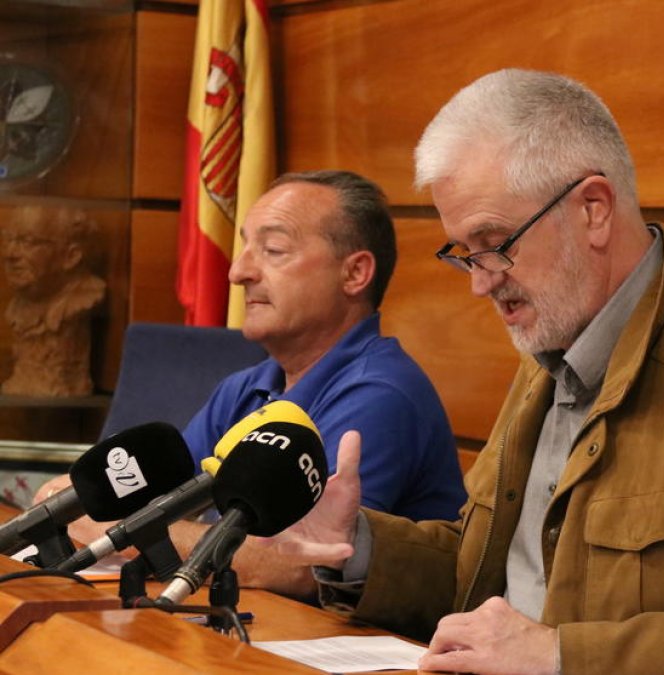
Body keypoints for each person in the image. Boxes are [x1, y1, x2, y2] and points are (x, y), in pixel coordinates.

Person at [282, 69, 664, 674]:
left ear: (593, 209)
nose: (481, 282)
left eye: (494, 242)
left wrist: (560, 655)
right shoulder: (550, 343)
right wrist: (357, 546)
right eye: (464, 253)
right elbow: (487, 572)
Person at [38, 170, 466, 596]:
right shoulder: (247, 386)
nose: (238, 272)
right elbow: (163, 496)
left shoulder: (380, 395)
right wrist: (92, 504)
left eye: (273, 249)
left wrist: (115, 526)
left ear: (354, 274)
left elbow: (299, 563)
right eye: (244, 247)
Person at [2, 204, 105, 396]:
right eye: (9, 239)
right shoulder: (22, 300)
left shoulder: (85, 298)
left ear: (71, 256)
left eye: (28, 242)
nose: (10, 254)